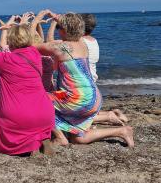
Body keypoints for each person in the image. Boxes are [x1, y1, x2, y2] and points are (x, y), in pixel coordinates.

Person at [36, 12, 134, 147]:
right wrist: (59, 19)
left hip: (76, 99)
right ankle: (122, 131)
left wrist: (37, 19)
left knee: (38, 99)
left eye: (59, 27)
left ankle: (59, 137)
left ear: (63, 30)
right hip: (94, 98)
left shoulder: (61, 47)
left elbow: (29, 45)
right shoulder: (82, 43)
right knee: (78, 139)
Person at [0, 17, 55, 156]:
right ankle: (41, 138)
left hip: (18, 115)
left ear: (10, 41)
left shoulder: (5, 59)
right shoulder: (35, 53)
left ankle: (30, 144)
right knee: (34, 125)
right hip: (45, 114)